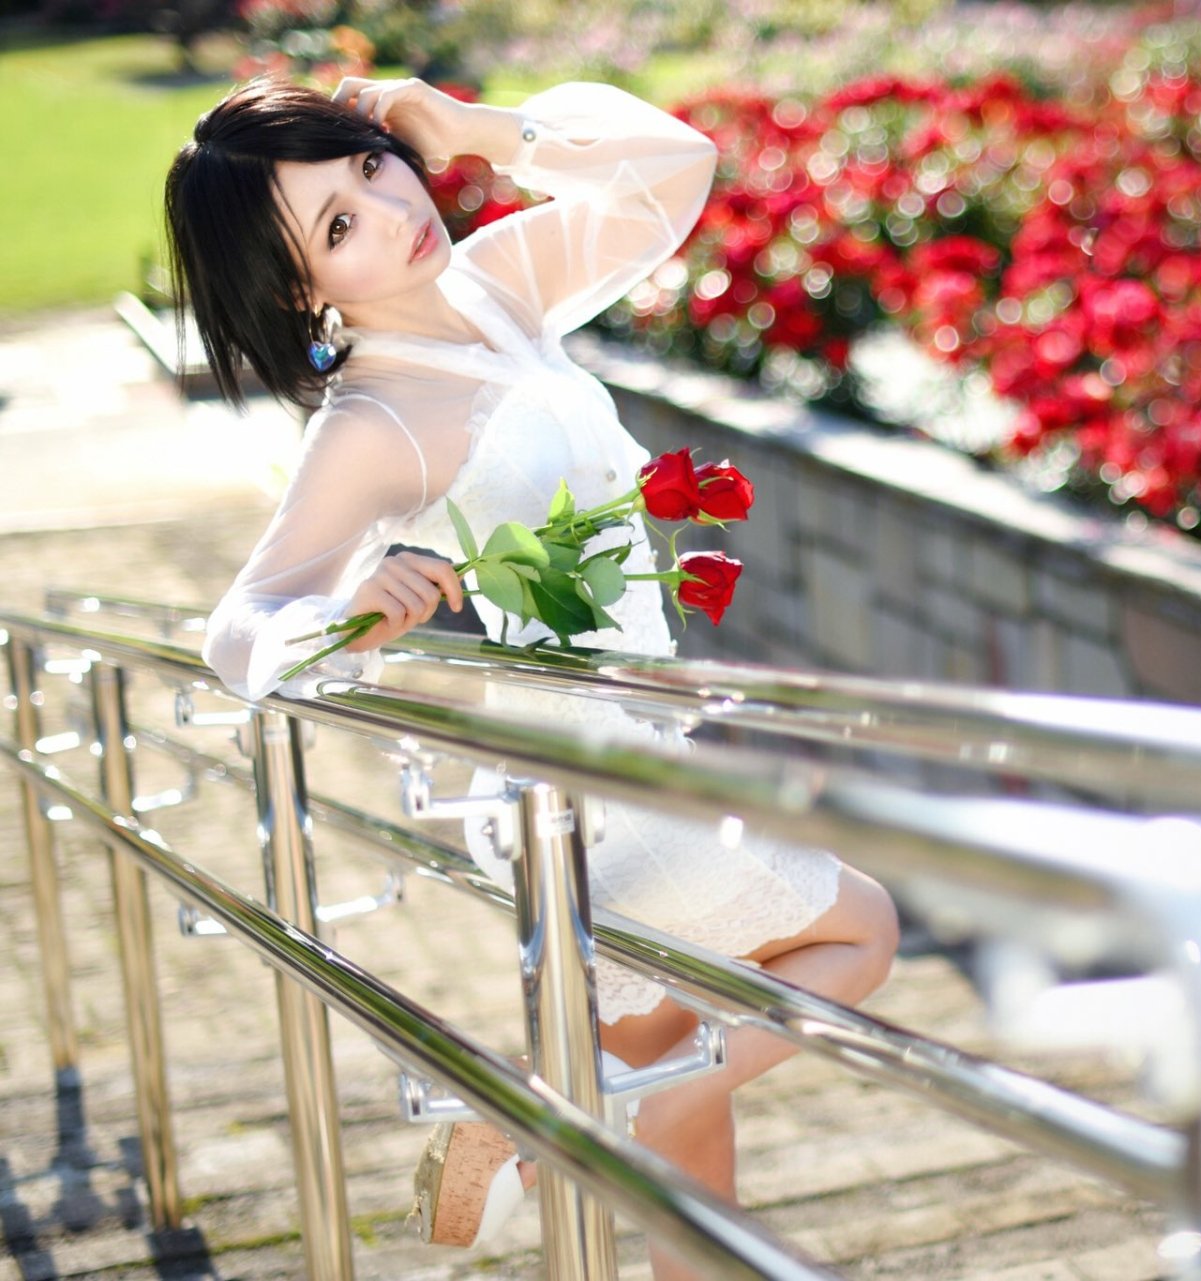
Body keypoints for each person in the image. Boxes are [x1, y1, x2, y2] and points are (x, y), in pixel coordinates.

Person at [162, 75, 899, 1274]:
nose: (388, 206)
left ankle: (548, 1112)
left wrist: (470, 127)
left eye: (368, 165)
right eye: (337, 228)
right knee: (857, 934)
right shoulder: (376, 419)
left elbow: (672, 173)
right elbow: (240, 627)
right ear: (302, 291)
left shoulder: (496, 290)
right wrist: (345, 614)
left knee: (691, 1091)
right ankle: (541, 1119)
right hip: (581, 791)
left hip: (633, 755)